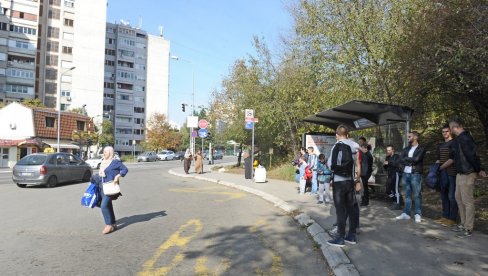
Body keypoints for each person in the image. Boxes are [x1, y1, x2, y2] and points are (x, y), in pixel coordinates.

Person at [449, 117, 487, 238]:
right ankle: (463, 223)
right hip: (460, 174)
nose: (450, 131)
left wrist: (479, 169)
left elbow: (473, 156)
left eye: (451, 129)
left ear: (455, 127)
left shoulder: (465, 138)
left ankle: (468, 228)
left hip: (468, 173)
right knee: (458, 198)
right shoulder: (459, 139)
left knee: (467, 201)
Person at [327, 124, 361, 247]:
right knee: (351, 208)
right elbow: (357, 165)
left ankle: (340, 237)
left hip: (339, 182)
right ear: (347, 134)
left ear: (337, 135)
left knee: (340, 209)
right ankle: (351, 236)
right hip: (350, 181)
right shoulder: (355, 145)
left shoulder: (337, 146)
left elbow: (330, 164)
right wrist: (357, 181)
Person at [395, 131, 426, 223]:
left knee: (416, 194)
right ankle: (406, 213)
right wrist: (409, 161)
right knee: (407, 194)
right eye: (408, 136)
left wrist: (406, 159)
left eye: (410, 136)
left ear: (415, 137)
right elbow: (400, 159)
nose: (408, 138)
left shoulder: (421, 148)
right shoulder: (406, 148)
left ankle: (417, 214)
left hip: (415, 173)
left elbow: (417, 159)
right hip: (405, 173)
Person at [99, 146, 128, 234]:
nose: (104, 153)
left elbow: (125, 169)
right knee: (108, 205)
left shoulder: (115, 162)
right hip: (102, 186)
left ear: (111, 153)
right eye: (104, 152)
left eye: (106, 152)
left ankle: (109, 225)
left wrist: (118, 176)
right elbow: (101, 174)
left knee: (103, 206)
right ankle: (113, 223)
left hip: (111, 186)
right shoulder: (103, 162)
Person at [434, 124, 458, 227]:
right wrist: (436, 167)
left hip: (452, 173)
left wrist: (441, 167)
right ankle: (445, 216)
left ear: (451, 132)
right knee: (444, 195)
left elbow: (452, 159)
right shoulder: (441, 145)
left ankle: (452, 219)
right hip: (442, 173)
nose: (445, 133)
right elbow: (439, 159)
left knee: (451, 196)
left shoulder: (455, 143)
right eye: (443, 132)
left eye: (447, 131)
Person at [384, 145, 402, 209]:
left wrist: (388, 163)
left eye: (389, 150)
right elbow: (386, 167)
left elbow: (397, 164)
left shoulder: (397, 156)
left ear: (393, 150)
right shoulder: (387, 157)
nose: (388, 151)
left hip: (395, 174)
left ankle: (397, 204)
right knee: (388, 189)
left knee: (395, 189)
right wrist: (385, 165)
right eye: (387, 150)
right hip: (389, 174)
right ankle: (395, 200)